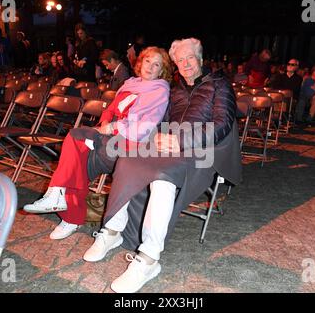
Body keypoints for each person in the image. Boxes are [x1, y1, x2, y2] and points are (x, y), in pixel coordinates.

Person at [83, 38, 242, 293]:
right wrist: (158, 134)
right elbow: (162, 120)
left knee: (161, 178)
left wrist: (180, 139)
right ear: (175, 64)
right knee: (127, 160)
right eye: (180, 60)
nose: (186, 63)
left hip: (204, 152)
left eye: (190, 57)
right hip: (169, 145)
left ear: (200, 59)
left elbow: (222, 125)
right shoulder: (175, 88)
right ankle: (113, 230)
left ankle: (148, 258)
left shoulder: (219, 85)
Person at [23, 46, 172, 240]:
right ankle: (60, 201)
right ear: (140, 62)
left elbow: (144, 127)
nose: (150, 67)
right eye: (147, 61)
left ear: (162, 71)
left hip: (133, 143)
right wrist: (104, 126)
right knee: (75, 147)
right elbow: (110, 110)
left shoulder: (159, 90)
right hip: (110, 136)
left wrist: (110, 129)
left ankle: (66, 209)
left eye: (156, 65)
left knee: (77, 151)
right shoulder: (130, 83)